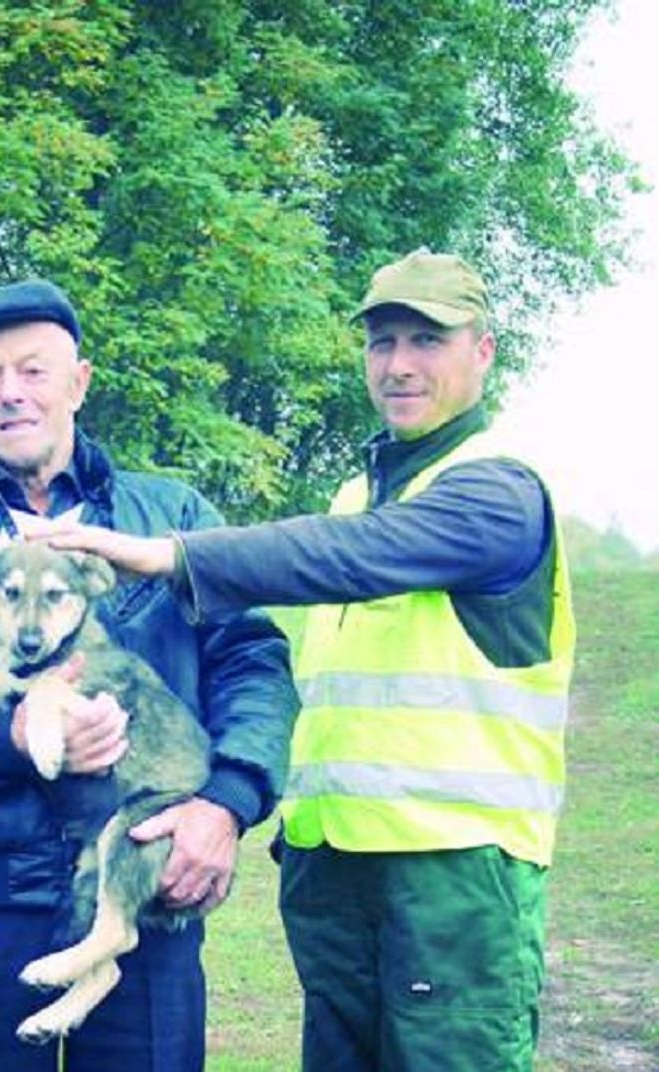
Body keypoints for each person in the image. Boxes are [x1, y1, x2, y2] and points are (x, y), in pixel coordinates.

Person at [40, 250, 575, 1072]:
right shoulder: (359, 493)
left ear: (484, 350)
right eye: (381, 341)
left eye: (426, 341)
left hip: (453, 876)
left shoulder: (494, 491)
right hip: (334, 867)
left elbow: (344, 555)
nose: (398, 365)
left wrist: (166, 554)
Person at [0, 278, 299, 1071]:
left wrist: (226, 805)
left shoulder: (173, 519)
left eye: (33, 370)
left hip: (143, 869)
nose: (10, 395)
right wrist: (6, 734)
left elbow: (253, 662)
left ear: (80, 381)